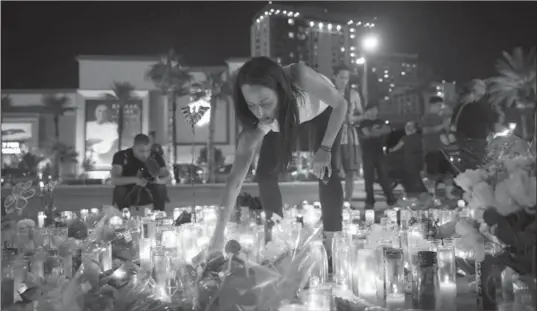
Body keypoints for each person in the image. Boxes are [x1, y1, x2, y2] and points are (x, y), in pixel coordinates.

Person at [208, 57, 347, 255]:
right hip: (285, 118)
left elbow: (341, 104)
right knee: (265, 173)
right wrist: (218, 235)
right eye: (251, 105)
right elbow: (235, 180)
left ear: (279, 89)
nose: (259, 112)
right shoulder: (258, 122)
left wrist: (325, 149)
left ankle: (332, 241)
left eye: (265, 102)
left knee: (327, 171)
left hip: (325, 111)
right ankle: (275, 236)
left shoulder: (299, 75)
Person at [451, 79, 504, 170]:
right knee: (477, 169)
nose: (484, 88)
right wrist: (500, 115)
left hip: (463, 142)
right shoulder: (478, 106)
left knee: (468, 169)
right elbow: (493, 123)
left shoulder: (461, 105)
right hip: (476, 142)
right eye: (481, 86)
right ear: (474, 89)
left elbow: (454, 123)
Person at [110, 134, 171, 212]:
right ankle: (123, 215)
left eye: (148, 150)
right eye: (141, 151)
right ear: (134, 147)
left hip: (149, 191)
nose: (145, 154)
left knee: (161, 187)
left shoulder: (155, 156)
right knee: (120, 190)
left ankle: (159, 214)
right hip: (128, 191)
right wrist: (136, 180)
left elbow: (168, 177)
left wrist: (159, 181)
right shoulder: (121, 156)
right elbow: (114, 180)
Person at [333, 65, 364, 206]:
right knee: (334, 171)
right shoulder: (328, 93)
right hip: (333, 135)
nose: (344, 81)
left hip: (349, 136)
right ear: (335, 77)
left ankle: (348, 200)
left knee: (350, 171)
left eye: (347, 78)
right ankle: (335, 200)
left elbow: (361, 114)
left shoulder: (353, 94)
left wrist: (354, 118)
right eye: (341, 77)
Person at [358, 105, 397, 209]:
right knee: (368, 177)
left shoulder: (380, 121)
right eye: (371, 109)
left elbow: (387, 130)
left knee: (384, 176)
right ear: (367, 111)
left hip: (379, 152)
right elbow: (367, 133)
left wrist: (374, 131)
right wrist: (376, 131)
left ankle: (390, 198)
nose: (374, 111)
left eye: (375, 109)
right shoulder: (363, 123)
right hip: (367, 152)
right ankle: (370, 200)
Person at [421, 96, 456, 196]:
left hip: (443, 150)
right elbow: (425, 130)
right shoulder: (427, 117)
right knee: (432, 175)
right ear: (432, 105)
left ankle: (449, 194)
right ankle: (431, 196)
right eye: (439, 105)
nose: (441, 107)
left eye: (441, 105)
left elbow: (448, 131)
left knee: (448, 174)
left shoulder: (442, 118)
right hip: (432, 150)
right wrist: (442, 126)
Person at [389, 121, 428, 197]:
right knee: (415, 176)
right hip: (416, 160)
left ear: (414, 129)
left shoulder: (407, 138)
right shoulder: (417, 138)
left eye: (410, 126)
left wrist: (391, 150)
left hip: (411, 160)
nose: (407, 128)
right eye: (407, 126)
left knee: (413, 177)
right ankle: (420, 192)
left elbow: (398, 146)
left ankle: (420, 192)